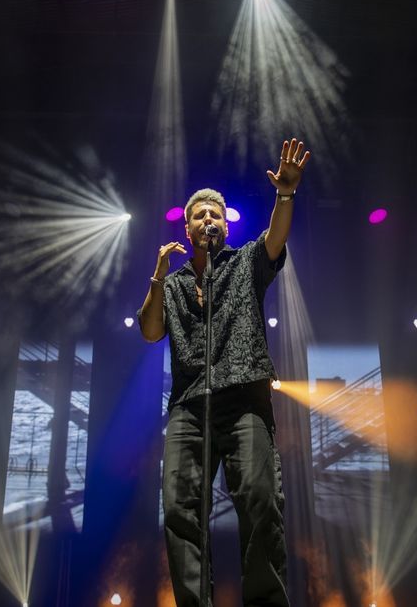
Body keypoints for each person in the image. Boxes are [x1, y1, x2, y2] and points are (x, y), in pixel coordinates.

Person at [139, 137, 310, 607]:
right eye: (200, 215)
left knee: (258, 500)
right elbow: (151, 332)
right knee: (179, 510)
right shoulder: (172, 285)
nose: (209, 220)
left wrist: (286, 194)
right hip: (189, 407)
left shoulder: (244, 263)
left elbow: (276, 238)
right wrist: (157, 273)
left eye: (216, 214)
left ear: (225, 224)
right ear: (187, 227)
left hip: (244, 397)